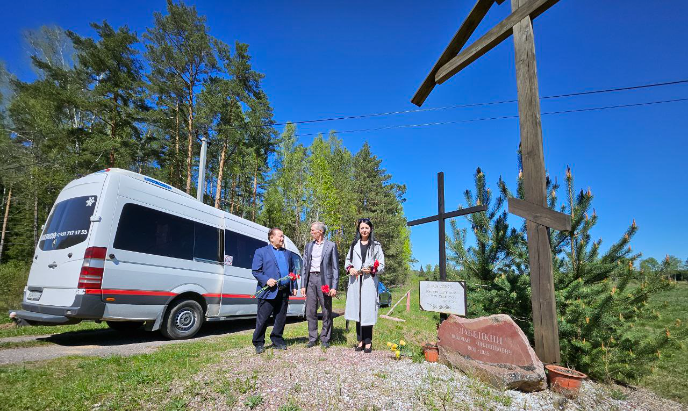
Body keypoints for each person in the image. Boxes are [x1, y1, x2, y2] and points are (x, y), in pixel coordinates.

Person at [252, 227, 298, 354]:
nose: (282, 239)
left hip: (283, 291)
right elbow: (256, 271)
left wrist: (294, 286)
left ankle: (277, 339)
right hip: (268, 292)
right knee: (263, 319)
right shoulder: (261, 252)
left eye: (283, 236)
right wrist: (266, 280)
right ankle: (258, 342)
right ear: (271, 238)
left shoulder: (288, 253)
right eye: (280, 236)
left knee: (280, 318)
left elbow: (292, 271)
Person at [344, 218, 385, 353]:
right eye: (362, 228)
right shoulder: (353, 245)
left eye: (366, 228)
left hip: (368, 282)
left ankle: (368, 342)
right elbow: (347, 262)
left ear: (371, 229)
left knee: (367, 312)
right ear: (359, 230)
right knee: (358, 312)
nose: (364, 230)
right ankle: (360, 341)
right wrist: (350, 269)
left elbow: (382, 265)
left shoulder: (376, 246)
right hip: (356, 281)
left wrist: (373, 270)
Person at [300, 222, 339, 349]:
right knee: (310, 310)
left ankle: (325, 338)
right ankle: (312, 338)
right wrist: (303, 285)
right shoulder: (308, 246)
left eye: (312, 230)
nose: (311, 232)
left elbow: (335, 268)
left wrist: (334, 286)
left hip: (324, 281)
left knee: (326, 310)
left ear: (320, 231)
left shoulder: (331, 246)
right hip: (311, 279)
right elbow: (305, 266)